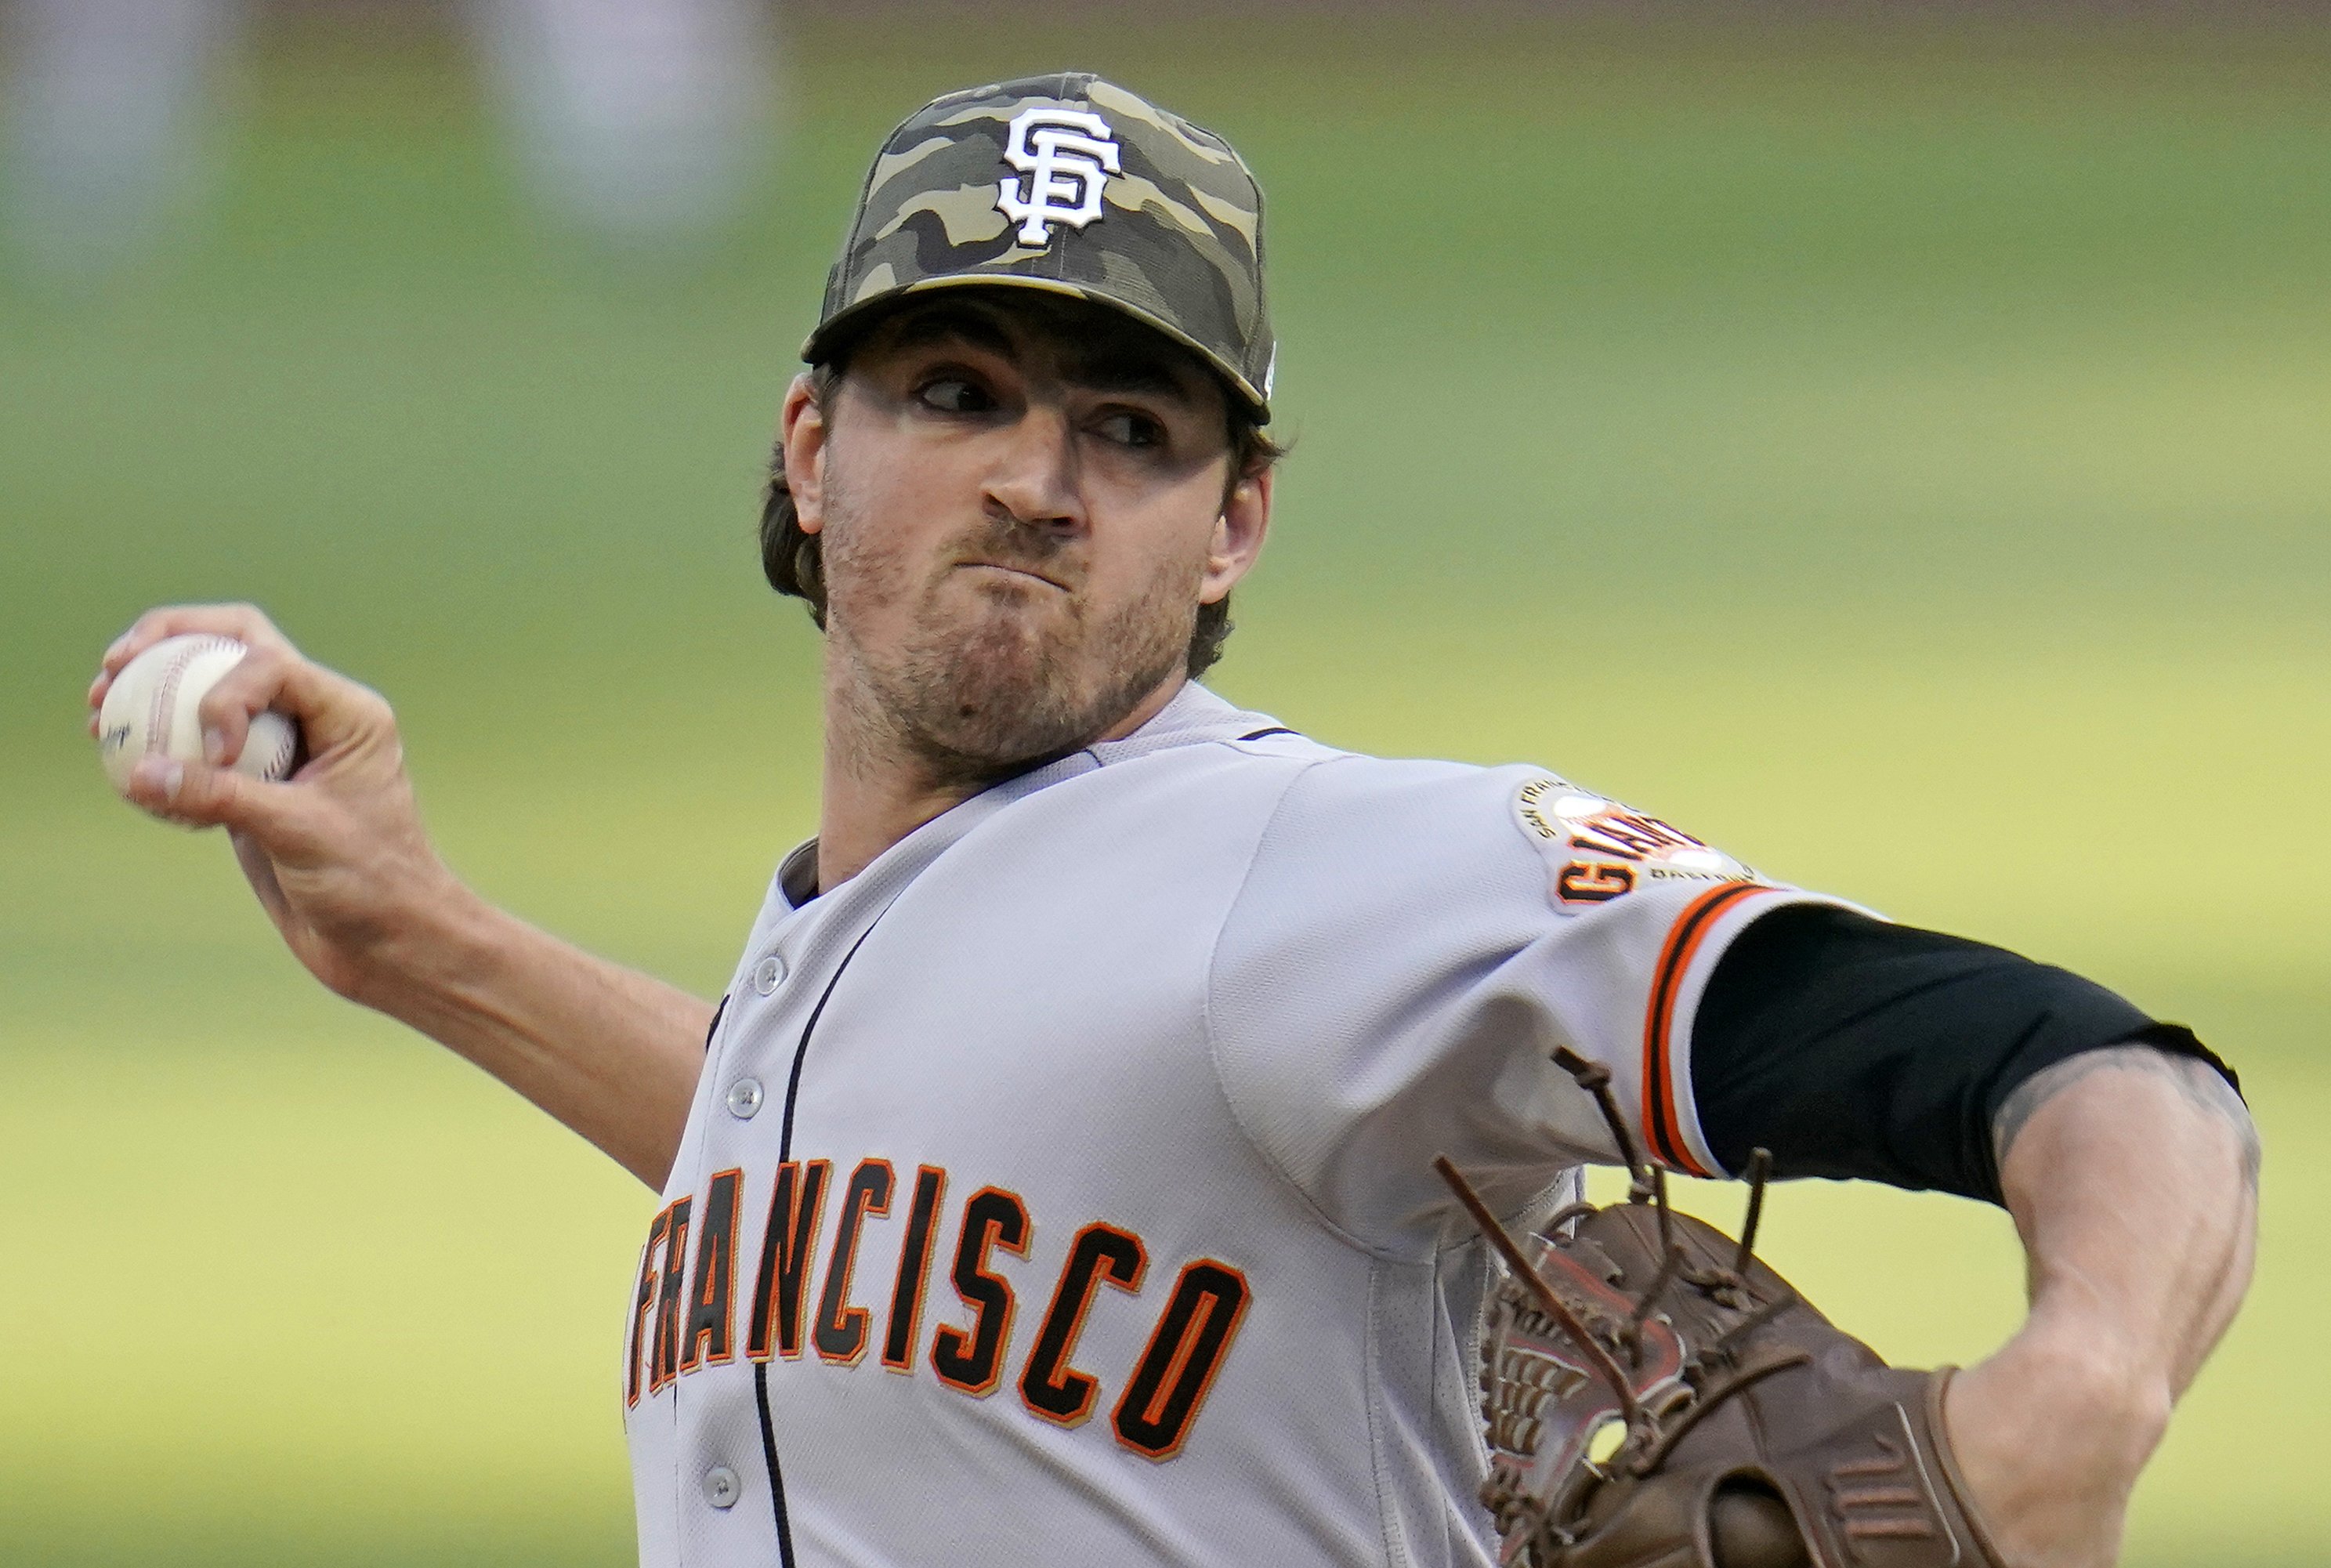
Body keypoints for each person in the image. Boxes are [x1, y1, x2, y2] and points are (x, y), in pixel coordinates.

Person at [89, 73, 2256, 1568]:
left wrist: (2073, 1400)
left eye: (1128, 427)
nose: (1037, 476)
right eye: (960, 393)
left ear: (1237, 522)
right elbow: (883, 1164)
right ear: (809, 445)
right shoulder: (849, 957)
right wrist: (421, 939)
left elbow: (2090, 1070)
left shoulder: (1322, 879)